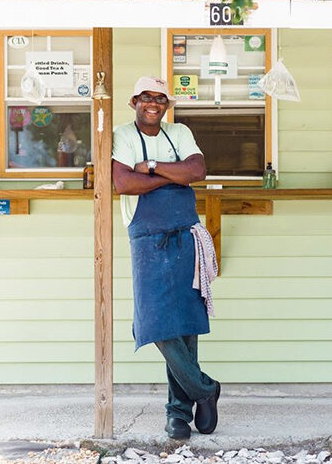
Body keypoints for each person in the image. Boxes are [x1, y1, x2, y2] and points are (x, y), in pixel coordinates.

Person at [112, 76, 220, 440]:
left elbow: (197, 171)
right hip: (146, 239)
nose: (153, 103)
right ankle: (205, 389)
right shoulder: (123, 135)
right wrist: (175, 177)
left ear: (167, 105)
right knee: (156, 324)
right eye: (146, 97)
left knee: (186, 325)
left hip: (185, 235)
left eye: (160, 98)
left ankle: (178, 414)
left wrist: (153, 168)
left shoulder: (181, 132)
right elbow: (124, 183)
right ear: (135, 101)